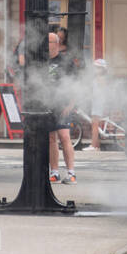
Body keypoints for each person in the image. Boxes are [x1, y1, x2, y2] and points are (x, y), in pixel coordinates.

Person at [46, 29, 79, 179]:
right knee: (51, 138)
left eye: (49, 42)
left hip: (63, 104)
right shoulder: (43, 62)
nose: (47, 45)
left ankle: (71, 172)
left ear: (56, 44)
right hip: (48, 105)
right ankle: (55, 172)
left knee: (64, 136)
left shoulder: (66, 62)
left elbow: (75, 84)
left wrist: (71, 104)